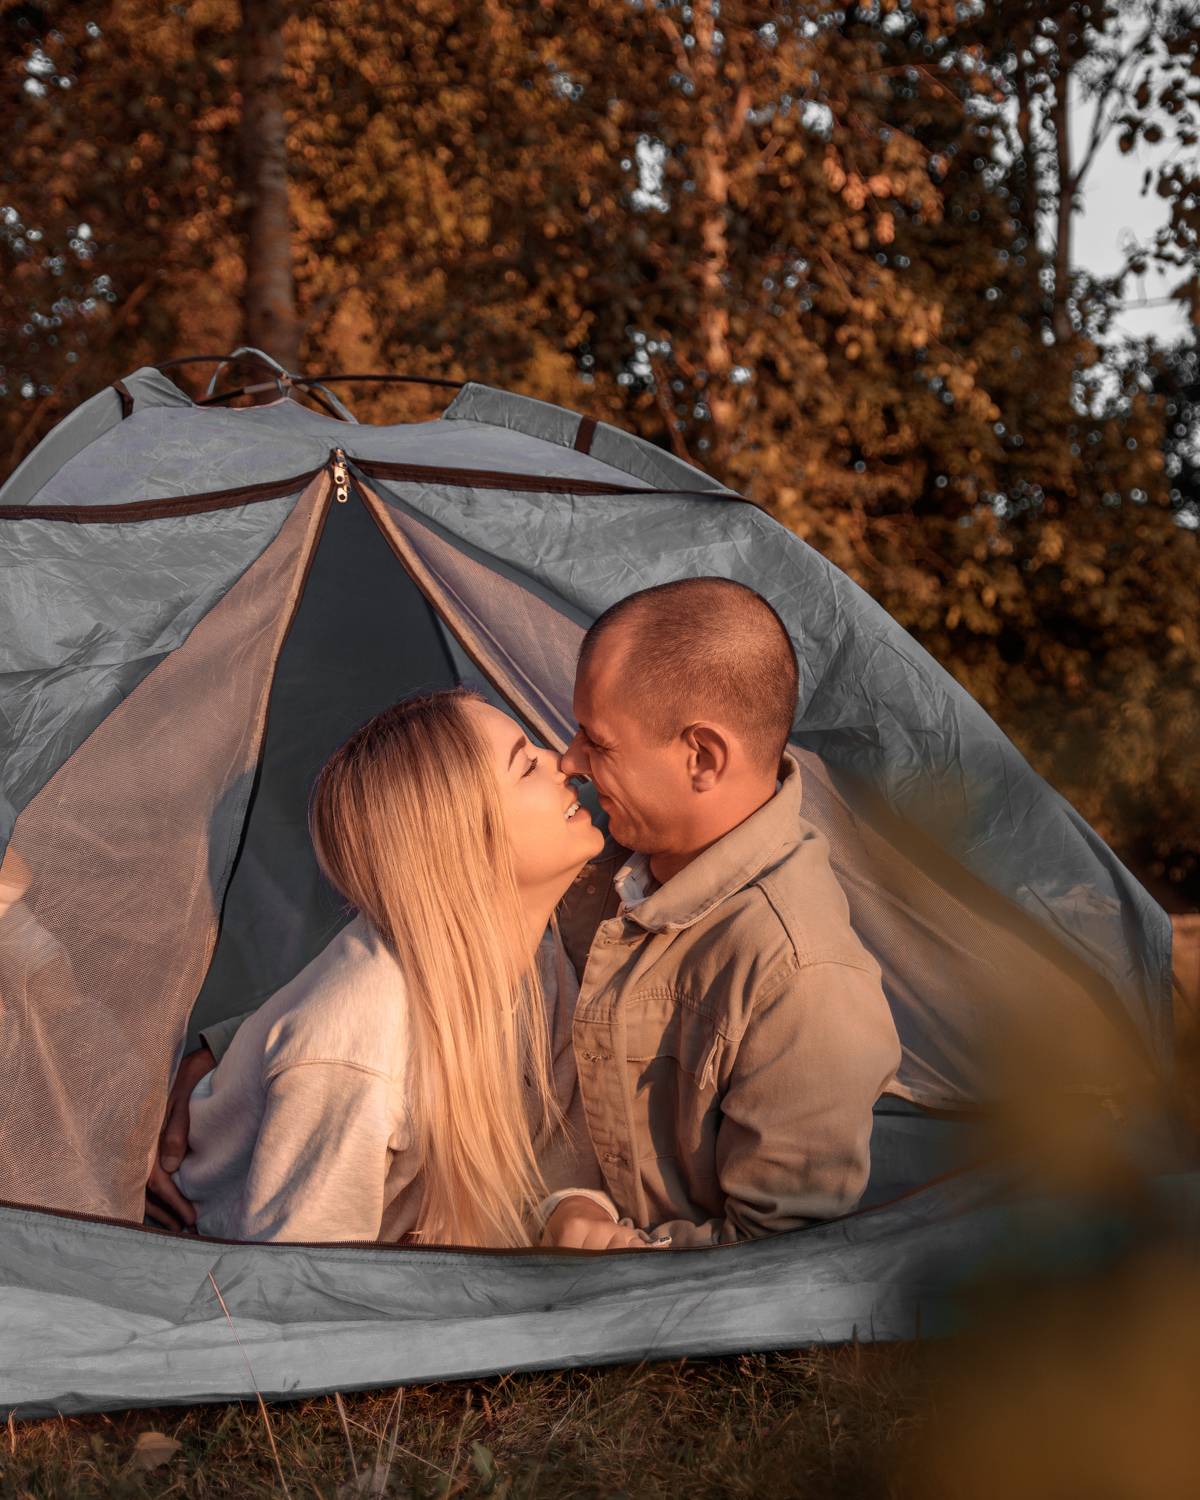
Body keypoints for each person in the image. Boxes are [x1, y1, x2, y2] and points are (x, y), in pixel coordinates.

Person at [154, 577, 900, 1249]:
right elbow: (302, 1270)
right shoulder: (600, 869)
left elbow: (783, 1260)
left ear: (702, 758)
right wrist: (224, 1058)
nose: (568, 761)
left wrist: (582, 1225)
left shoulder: (795, 972)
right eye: (538, 755)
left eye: (596, 740)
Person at [160, 689, 651, 1249]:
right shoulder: (359, 1049)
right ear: (462, 840)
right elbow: (299, 1277)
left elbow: (558, 1163)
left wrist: (573, 1210)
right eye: (525, 766)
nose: (562, 762)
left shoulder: (540, 968)